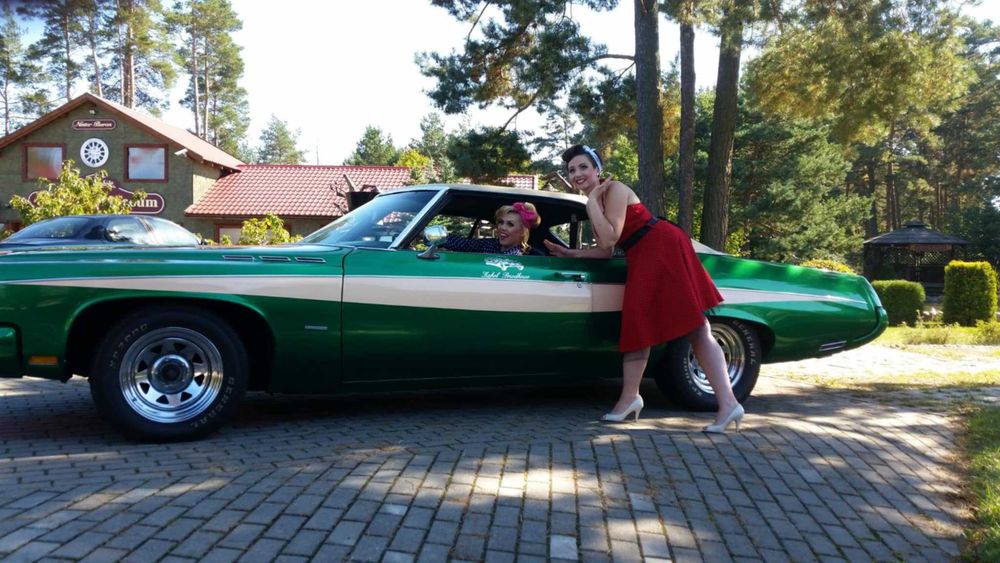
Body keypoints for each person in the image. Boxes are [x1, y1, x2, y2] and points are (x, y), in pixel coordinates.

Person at [544, 144, 744, 433]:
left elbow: (611, 238)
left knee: (696, 326)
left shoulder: (614, 190)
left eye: (583, 167)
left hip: (662, 245)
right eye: (572, 169)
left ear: (597, 169)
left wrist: (590, 205)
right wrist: (569, 254)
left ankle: (728, 403)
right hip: (642, 254)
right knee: (638, 325)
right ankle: (629, 399)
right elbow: (605, 252)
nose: (577, 174)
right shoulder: (598, 198)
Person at [439, 202, 541, 256]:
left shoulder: (529, 257)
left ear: (523, 232)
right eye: (501, 222)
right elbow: (463, 244)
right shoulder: (490, 244)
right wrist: (436, 236)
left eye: (510, 224)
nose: (502, 228)